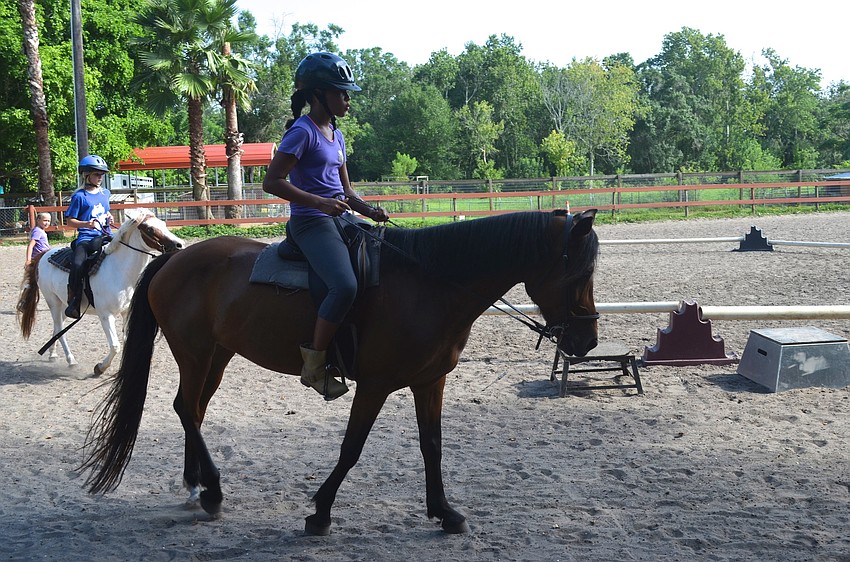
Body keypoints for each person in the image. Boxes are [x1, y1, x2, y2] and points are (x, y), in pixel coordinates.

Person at [263, 52, 389, 400]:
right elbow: (272, 181)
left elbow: (345, 190)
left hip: (340, 218)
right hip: (310, 223)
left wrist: (367, 209)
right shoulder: (302, 132)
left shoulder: (336, 133)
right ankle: (315, 365)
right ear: (318, 94)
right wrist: (318, 202)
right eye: (341, 93)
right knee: (344, 286)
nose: (347, 100)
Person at [64, 154, 113, 319]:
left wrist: (109, 217)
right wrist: (86, 224)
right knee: (78, 264)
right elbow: (70, 221)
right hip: (86, 237)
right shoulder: (79, 196)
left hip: (106, 234)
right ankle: (74, 300)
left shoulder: (105, 193)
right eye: (97, 174)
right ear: (86, 175)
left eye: (101, 174)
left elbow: (105, 211)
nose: (100, 177)